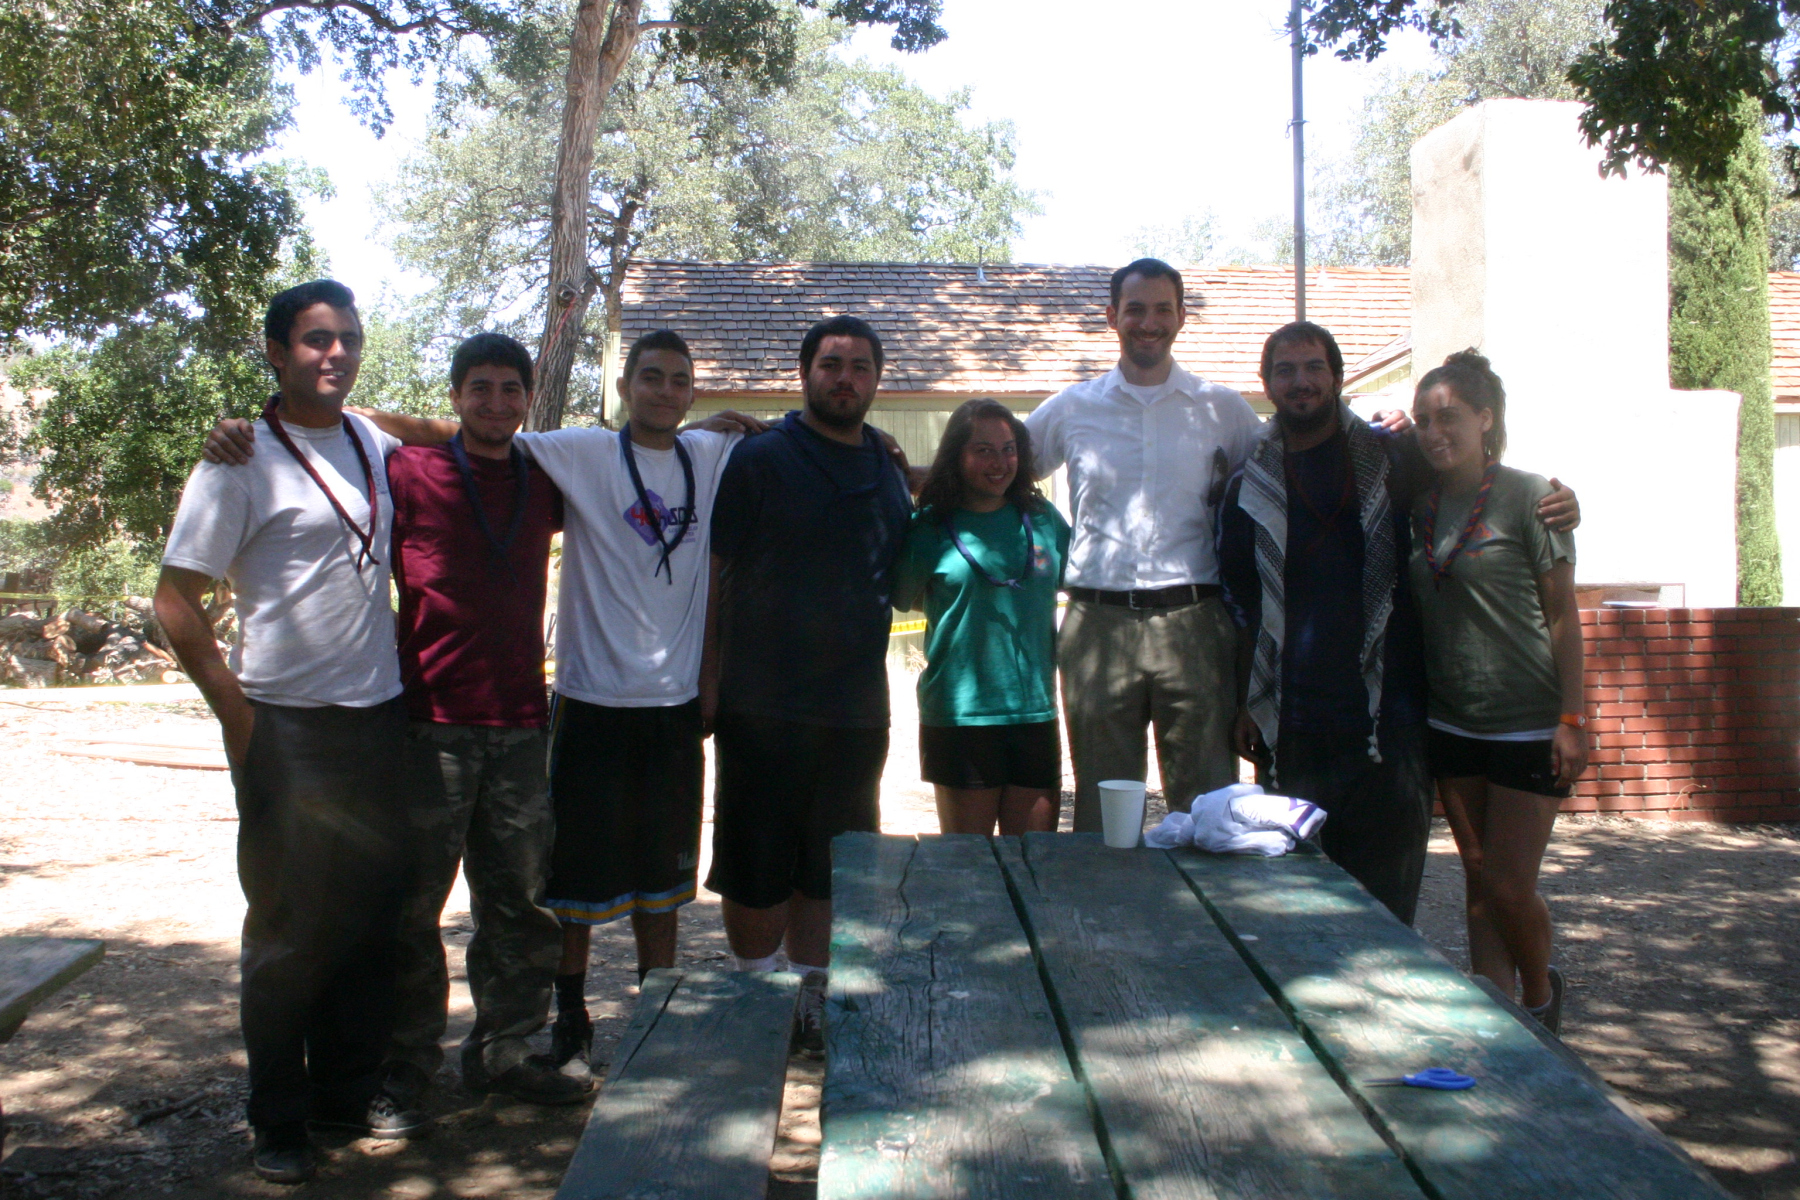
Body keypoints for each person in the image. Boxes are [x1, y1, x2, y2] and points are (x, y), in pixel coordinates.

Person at [156, 280, 425, 1186]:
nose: (334, 353)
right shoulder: (237, 462)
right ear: (276, 352)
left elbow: (440, 427)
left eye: (348, 338)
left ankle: (346, 1095)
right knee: (287, 930)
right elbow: (174, 602)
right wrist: (239, 716)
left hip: (378, 718)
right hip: (286, 727)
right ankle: (277, 1119)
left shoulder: (370, 440)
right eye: (315, 339)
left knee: (371, 921)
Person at [1218, 322, 1579, 926]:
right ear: (1267, 383)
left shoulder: (1394, 458)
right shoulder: (1248, 485)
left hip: (1391, 721)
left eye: (1314, 367)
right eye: (1285, 370)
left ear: (1338, 377)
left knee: (1385, 910)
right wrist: (1245, 700)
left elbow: (1475, 485)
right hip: (1292, 721)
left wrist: (1559, 502)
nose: (1301, 381)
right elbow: (1241, 599)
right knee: (1294, 905)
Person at [702, 314, 913, 1041]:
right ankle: (757, 998)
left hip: (857, 710)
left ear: (876, 380)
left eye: (859, 367)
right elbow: (713, 572)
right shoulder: (761, 458)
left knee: (832, 865)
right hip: (761, 703)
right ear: (805, 373)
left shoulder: (887, 467)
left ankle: (812, 999)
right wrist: (708, 679)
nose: (844, 378)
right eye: (831, 364)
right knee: (756, 861)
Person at [380, 334, 577, 1107]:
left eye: (510, 389)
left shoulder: (547, 477)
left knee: (520, 903)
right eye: (480, 388)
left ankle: (506, 1052)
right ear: (455, 395)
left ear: (528, 398)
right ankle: (404, 1068)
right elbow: (342, 428)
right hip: (428, 720)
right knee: (411, 904)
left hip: (521, 723)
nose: (496, 403)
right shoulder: (409, 471)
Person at [1024, 259, 1266, 832]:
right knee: (1104, 814)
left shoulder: (1223, 409)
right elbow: (990, 465)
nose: (1149, 322)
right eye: (1135, 309)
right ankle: (1106, 895)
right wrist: (896, 462)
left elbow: (1288, 465)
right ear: (1112, 317)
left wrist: (1383, 432)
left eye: (1162, 309)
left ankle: (1203, 896)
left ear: (1182, 316)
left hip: (1195, 624)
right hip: (1097, 626)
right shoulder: (1073, 408)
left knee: (1207, 807)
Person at [1408, 349, 1585, 1033]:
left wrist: (1573, 718)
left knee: (1509, 883)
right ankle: (1495, 1017)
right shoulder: (1419, 505)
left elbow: (1563, 615)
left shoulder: (1532, 497)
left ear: (1485, 419)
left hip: (1527, 721)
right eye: (1424, 420)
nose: (1434, 432)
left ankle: (1539, 1000)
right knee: (1478, 876)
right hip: (1452, 720)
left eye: (1448, 417)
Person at [891, 398, 1070, 835]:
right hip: (960, 715)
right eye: (984, 450)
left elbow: (1076, 583)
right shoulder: (930, 526)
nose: (1000, 463)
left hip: (1034, 712)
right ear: (957, 456)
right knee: (969, 864)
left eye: (1009, 450)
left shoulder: (1042, 519)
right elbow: (906, 597)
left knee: (1033, 862)